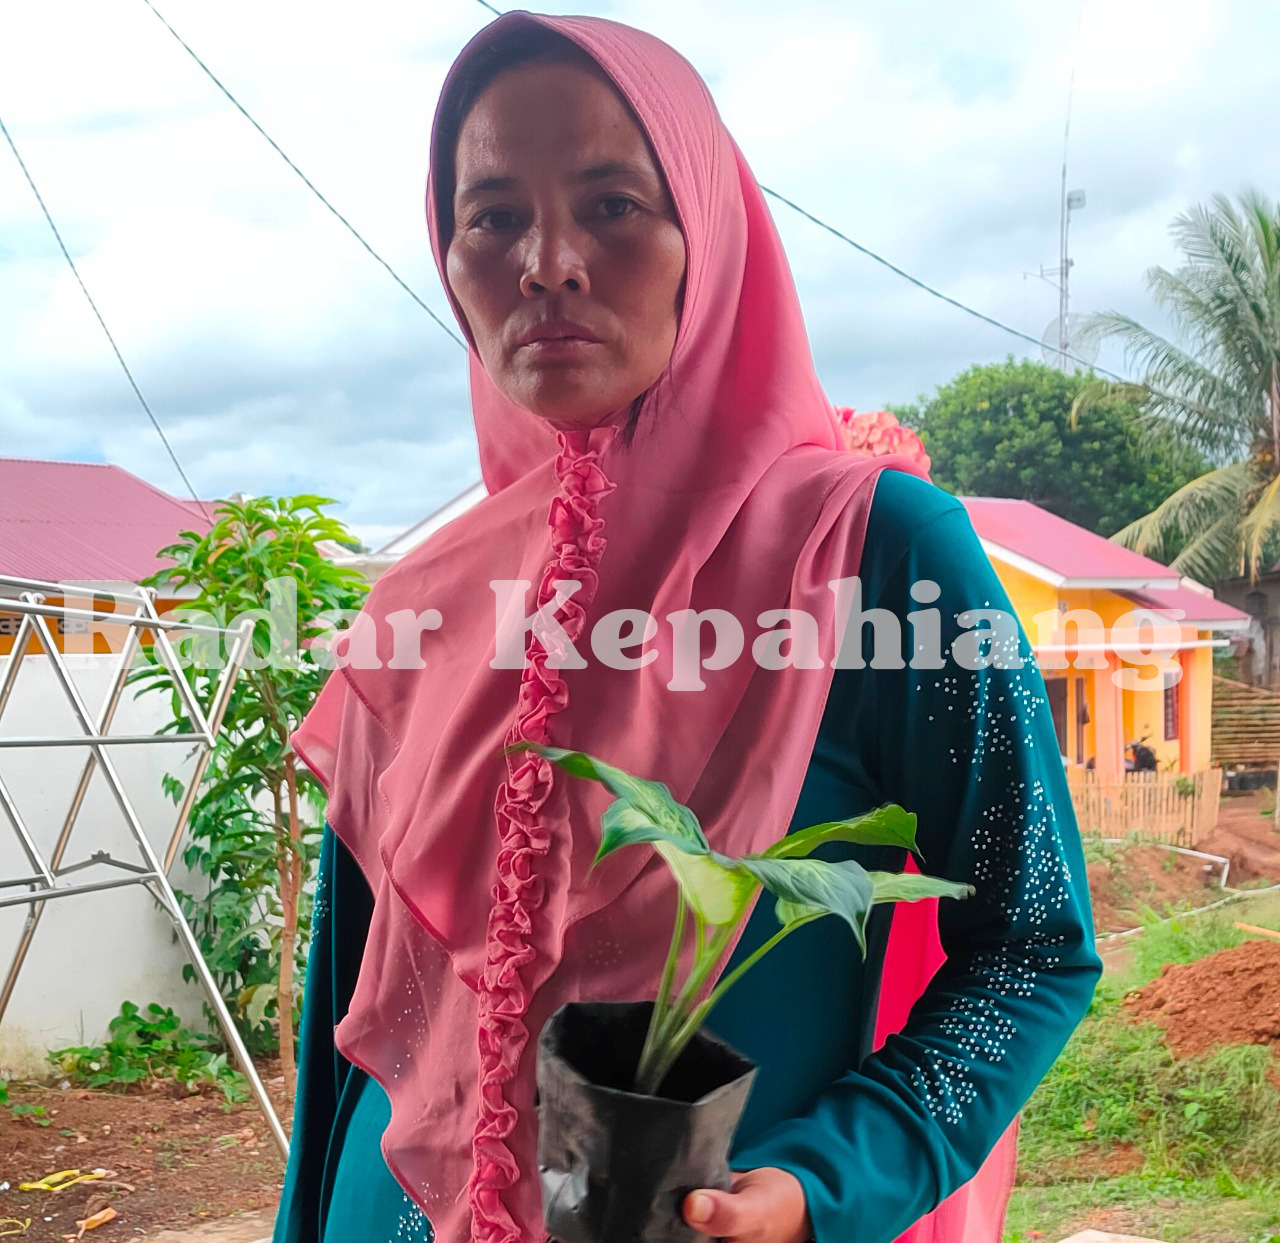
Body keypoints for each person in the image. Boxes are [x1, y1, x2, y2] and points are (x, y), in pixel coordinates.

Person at [272, 12, 1102, 1243]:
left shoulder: (874, 558)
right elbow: (345, 1022)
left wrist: (825, 1182)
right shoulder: (415, 607)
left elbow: (1029, 947)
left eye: (610, 203)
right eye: (490, 214)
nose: (545, 260)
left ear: (705, 234)